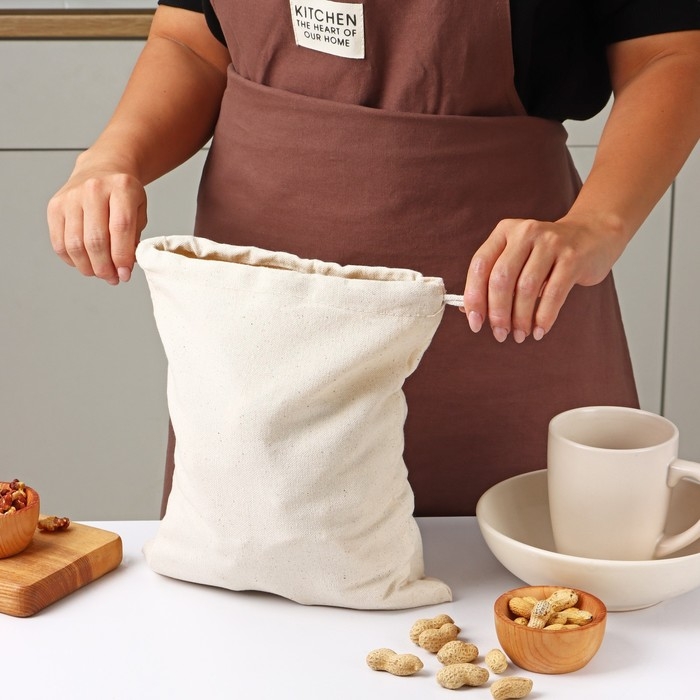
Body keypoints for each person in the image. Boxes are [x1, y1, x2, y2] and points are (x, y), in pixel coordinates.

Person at [47, 1, 700, 516]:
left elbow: (668, 52)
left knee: (536, 608)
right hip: (262, 326)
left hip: (501, 307)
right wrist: (111, 157)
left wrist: (595, 224)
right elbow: (192, 39)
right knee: (251, 598)